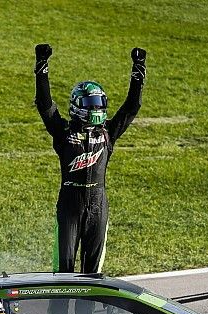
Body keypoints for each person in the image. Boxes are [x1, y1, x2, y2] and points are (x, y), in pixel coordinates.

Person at [34, 43, 146, 274]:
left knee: (93, 274)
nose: (95, 108)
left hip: (99, 203)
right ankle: (58, 312)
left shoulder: (108, 133)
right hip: (69, 206)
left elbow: (131, 107)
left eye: (99, 103)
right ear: (77, 106)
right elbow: (45, 105)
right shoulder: (64, 132)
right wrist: (42, 66)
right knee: (63, 271)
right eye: (89, 103)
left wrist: (138, 70)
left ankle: (88, 310)